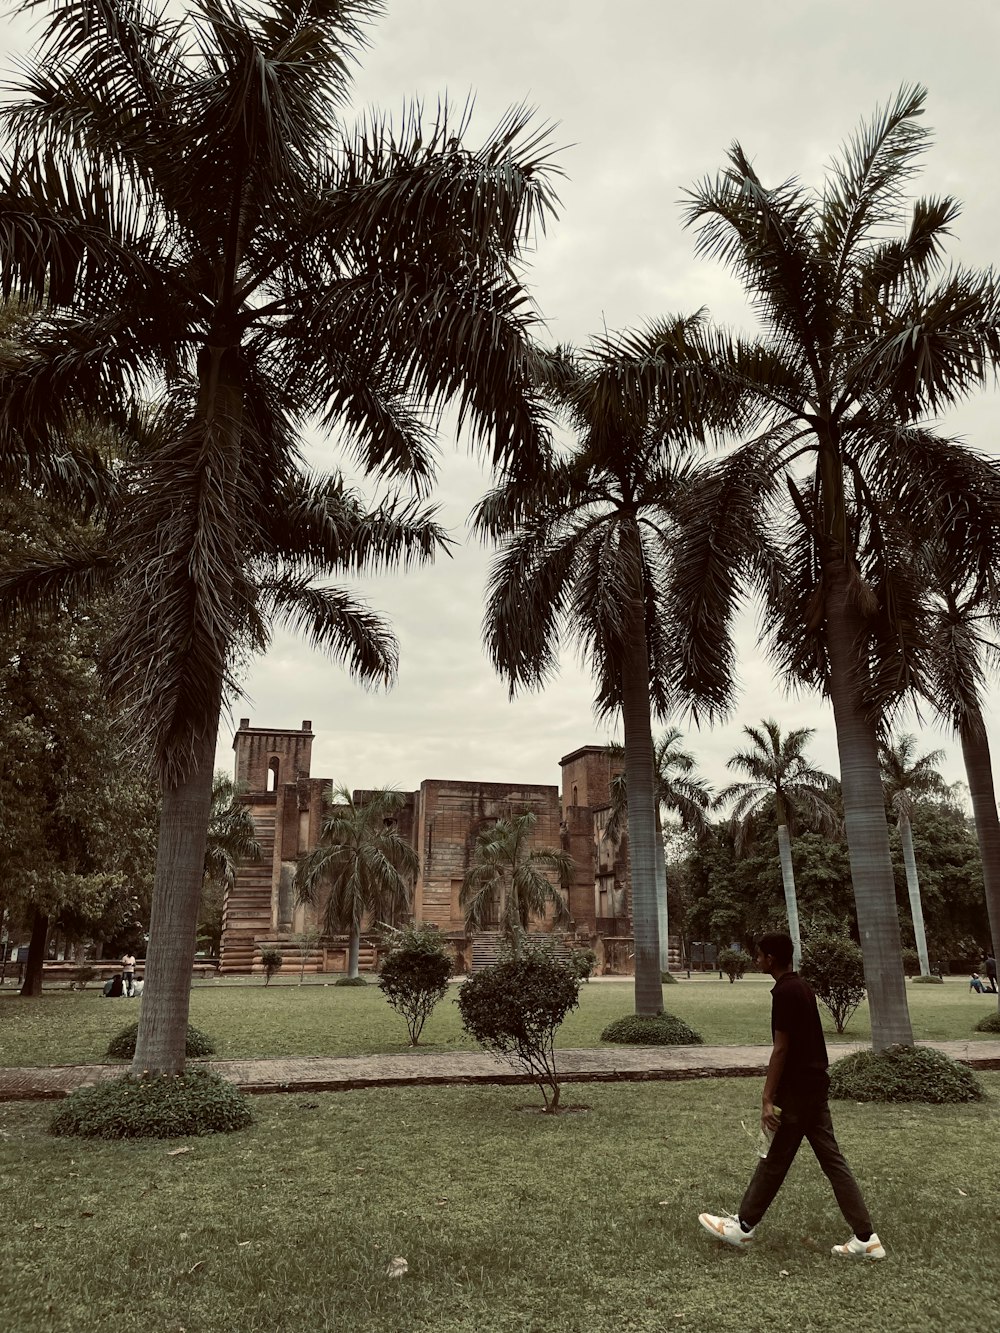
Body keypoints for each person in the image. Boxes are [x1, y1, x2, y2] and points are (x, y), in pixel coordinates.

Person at [698, 931, 885, 1260]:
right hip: (815, 1088)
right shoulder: (802, 986)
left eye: (759, 955)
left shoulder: (784, 992)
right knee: (833, 1163)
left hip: (796, 1092)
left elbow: (781, 1049)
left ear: (770, 958)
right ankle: (866, 1238)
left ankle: (742, 1227)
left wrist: (767, 1097)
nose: (755, 959)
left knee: (773, 1161)